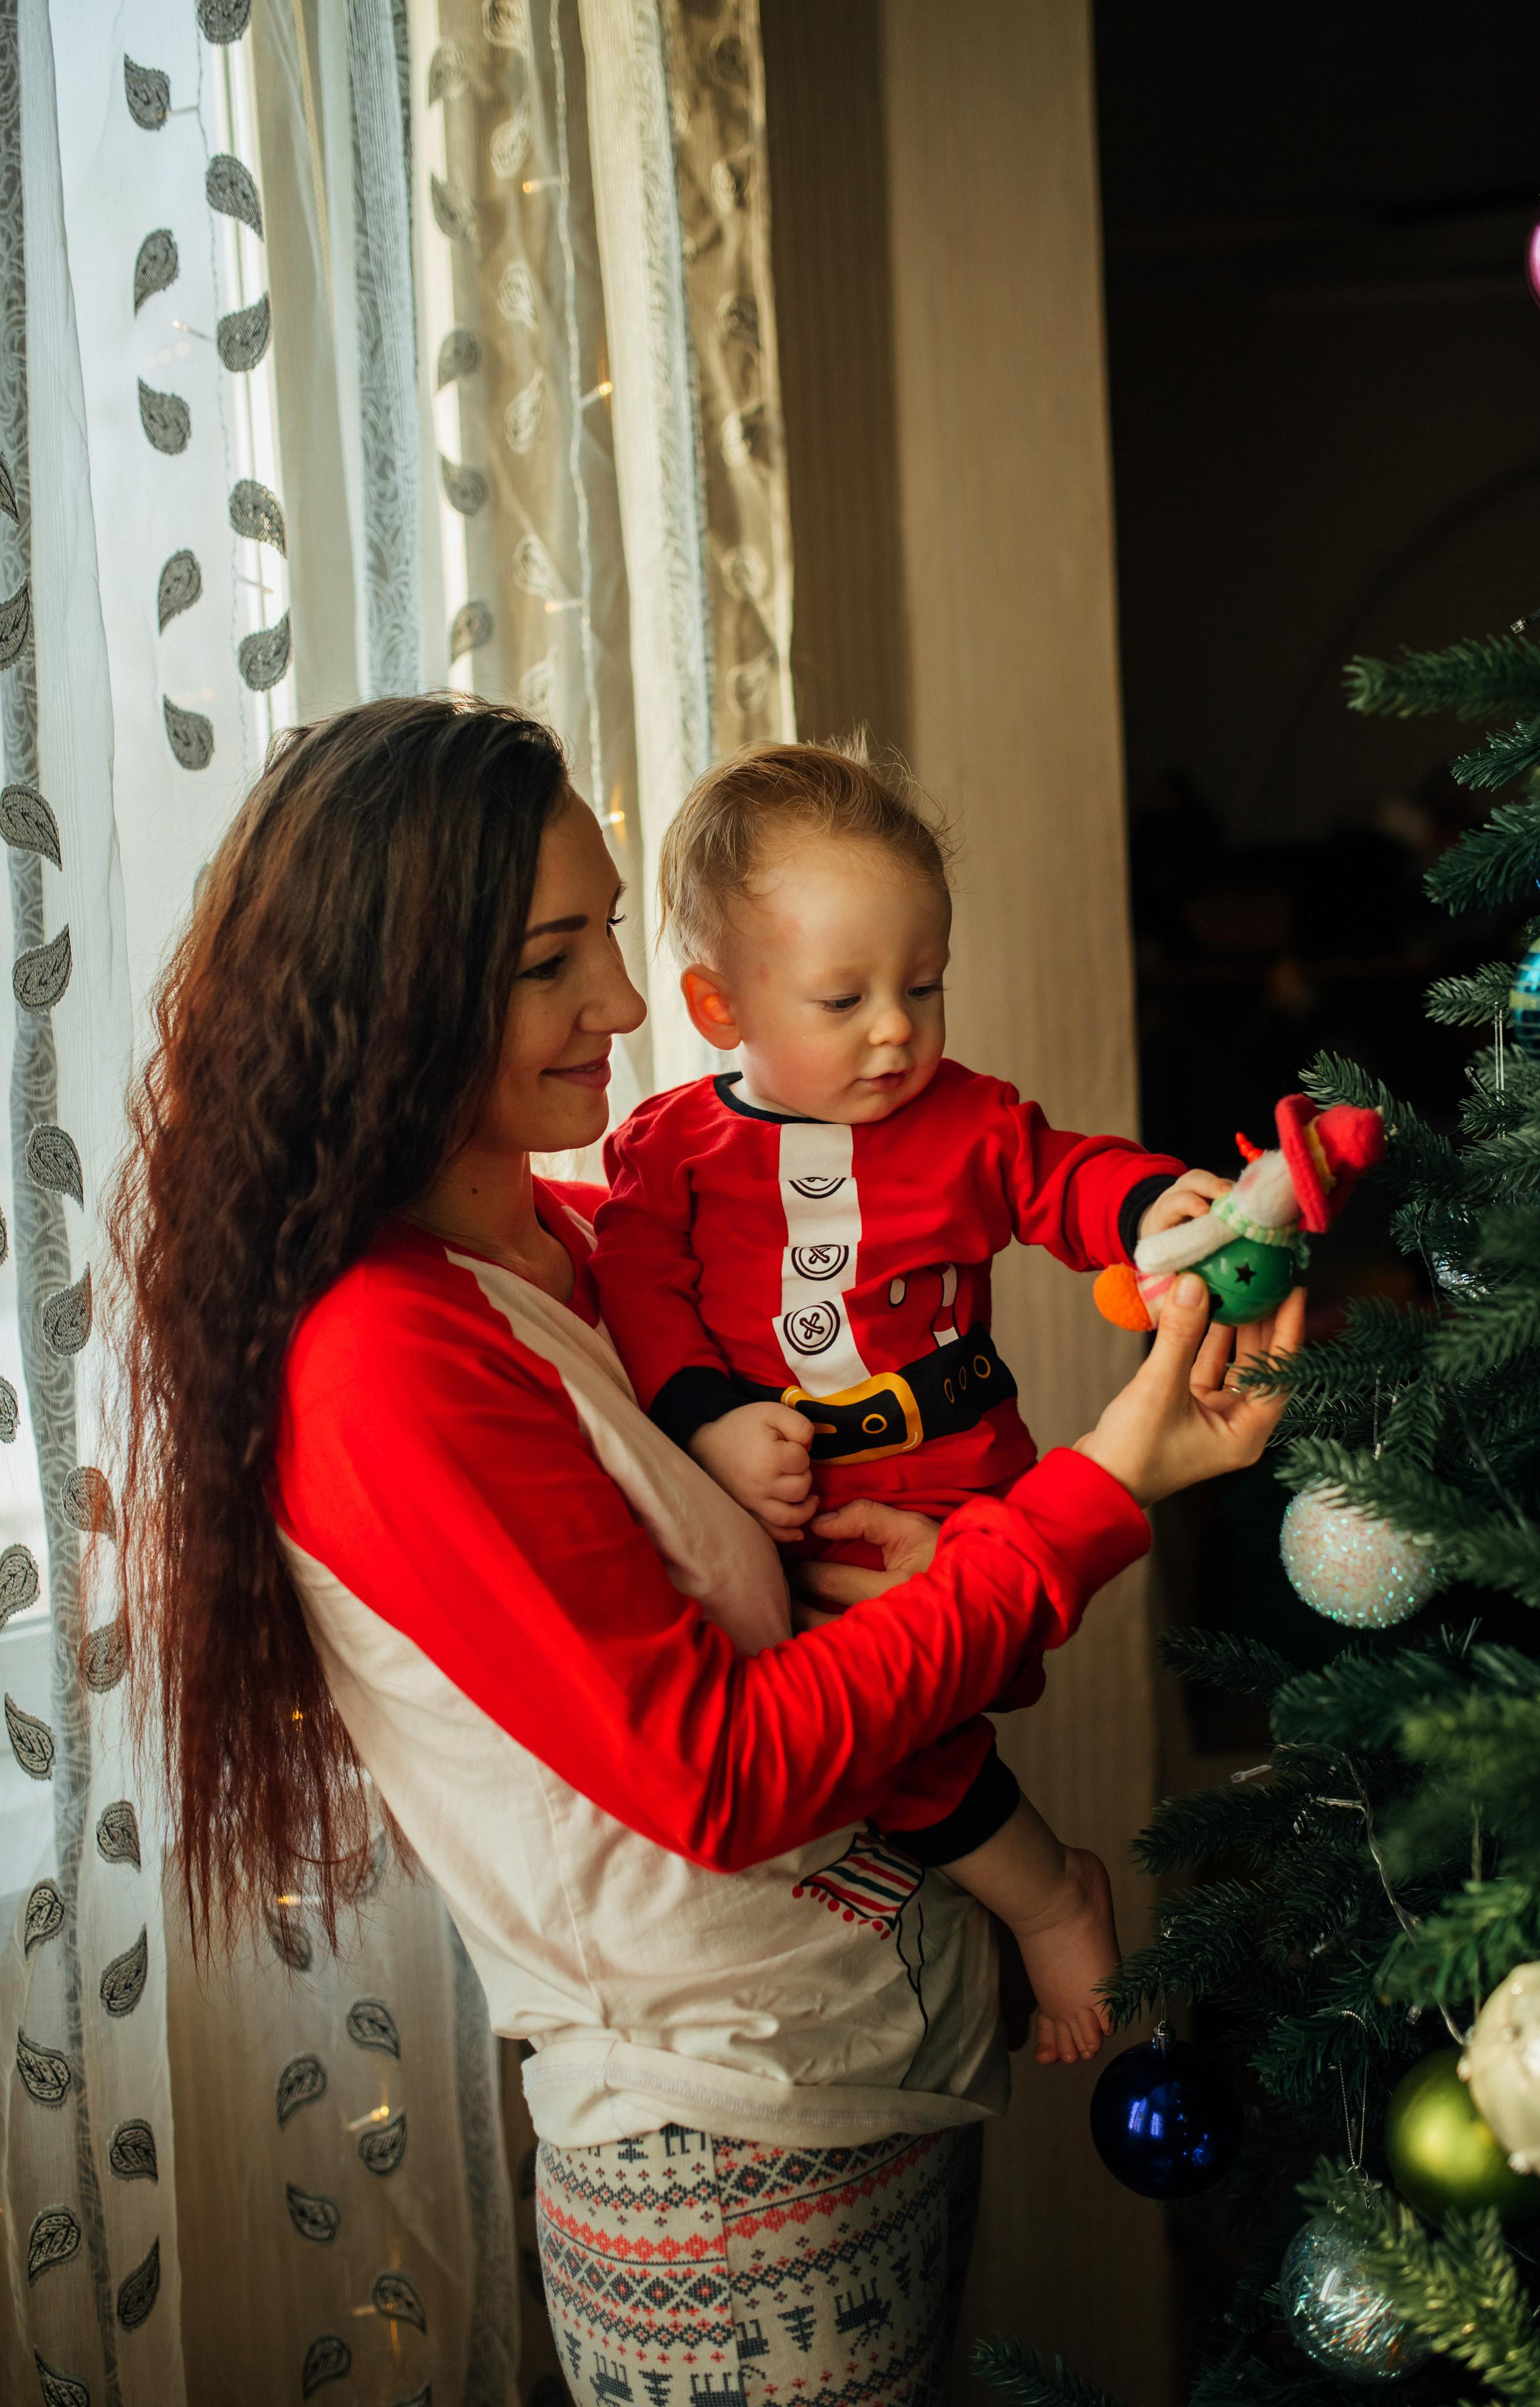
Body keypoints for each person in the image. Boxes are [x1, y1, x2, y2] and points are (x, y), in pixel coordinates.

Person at [110, 695, 1299, 2404]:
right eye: (551, 959)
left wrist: (1162, 1233)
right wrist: (1107, 1483)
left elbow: (918, 1249)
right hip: (736, 2182)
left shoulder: (559, 1244)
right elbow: (716, 1776)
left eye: (605, 932)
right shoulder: (384, 1362)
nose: (622, 1002)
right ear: (393, 1002)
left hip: (856, 2090)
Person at [589, 741, 1233, 2067]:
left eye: (921, 986)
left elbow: (1060, 1179)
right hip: (792, 1502)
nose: (897, 1027)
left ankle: (1049, 1898)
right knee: (854, 1733)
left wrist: (1141, 1206)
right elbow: (640, 1293)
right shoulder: (670, 1153)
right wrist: (710, 1418)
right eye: (845, 998)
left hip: (958, 1477)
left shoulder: (960, 1122)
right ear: (719, 1008)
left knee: (919, 1704)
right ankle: (1026, 1887)